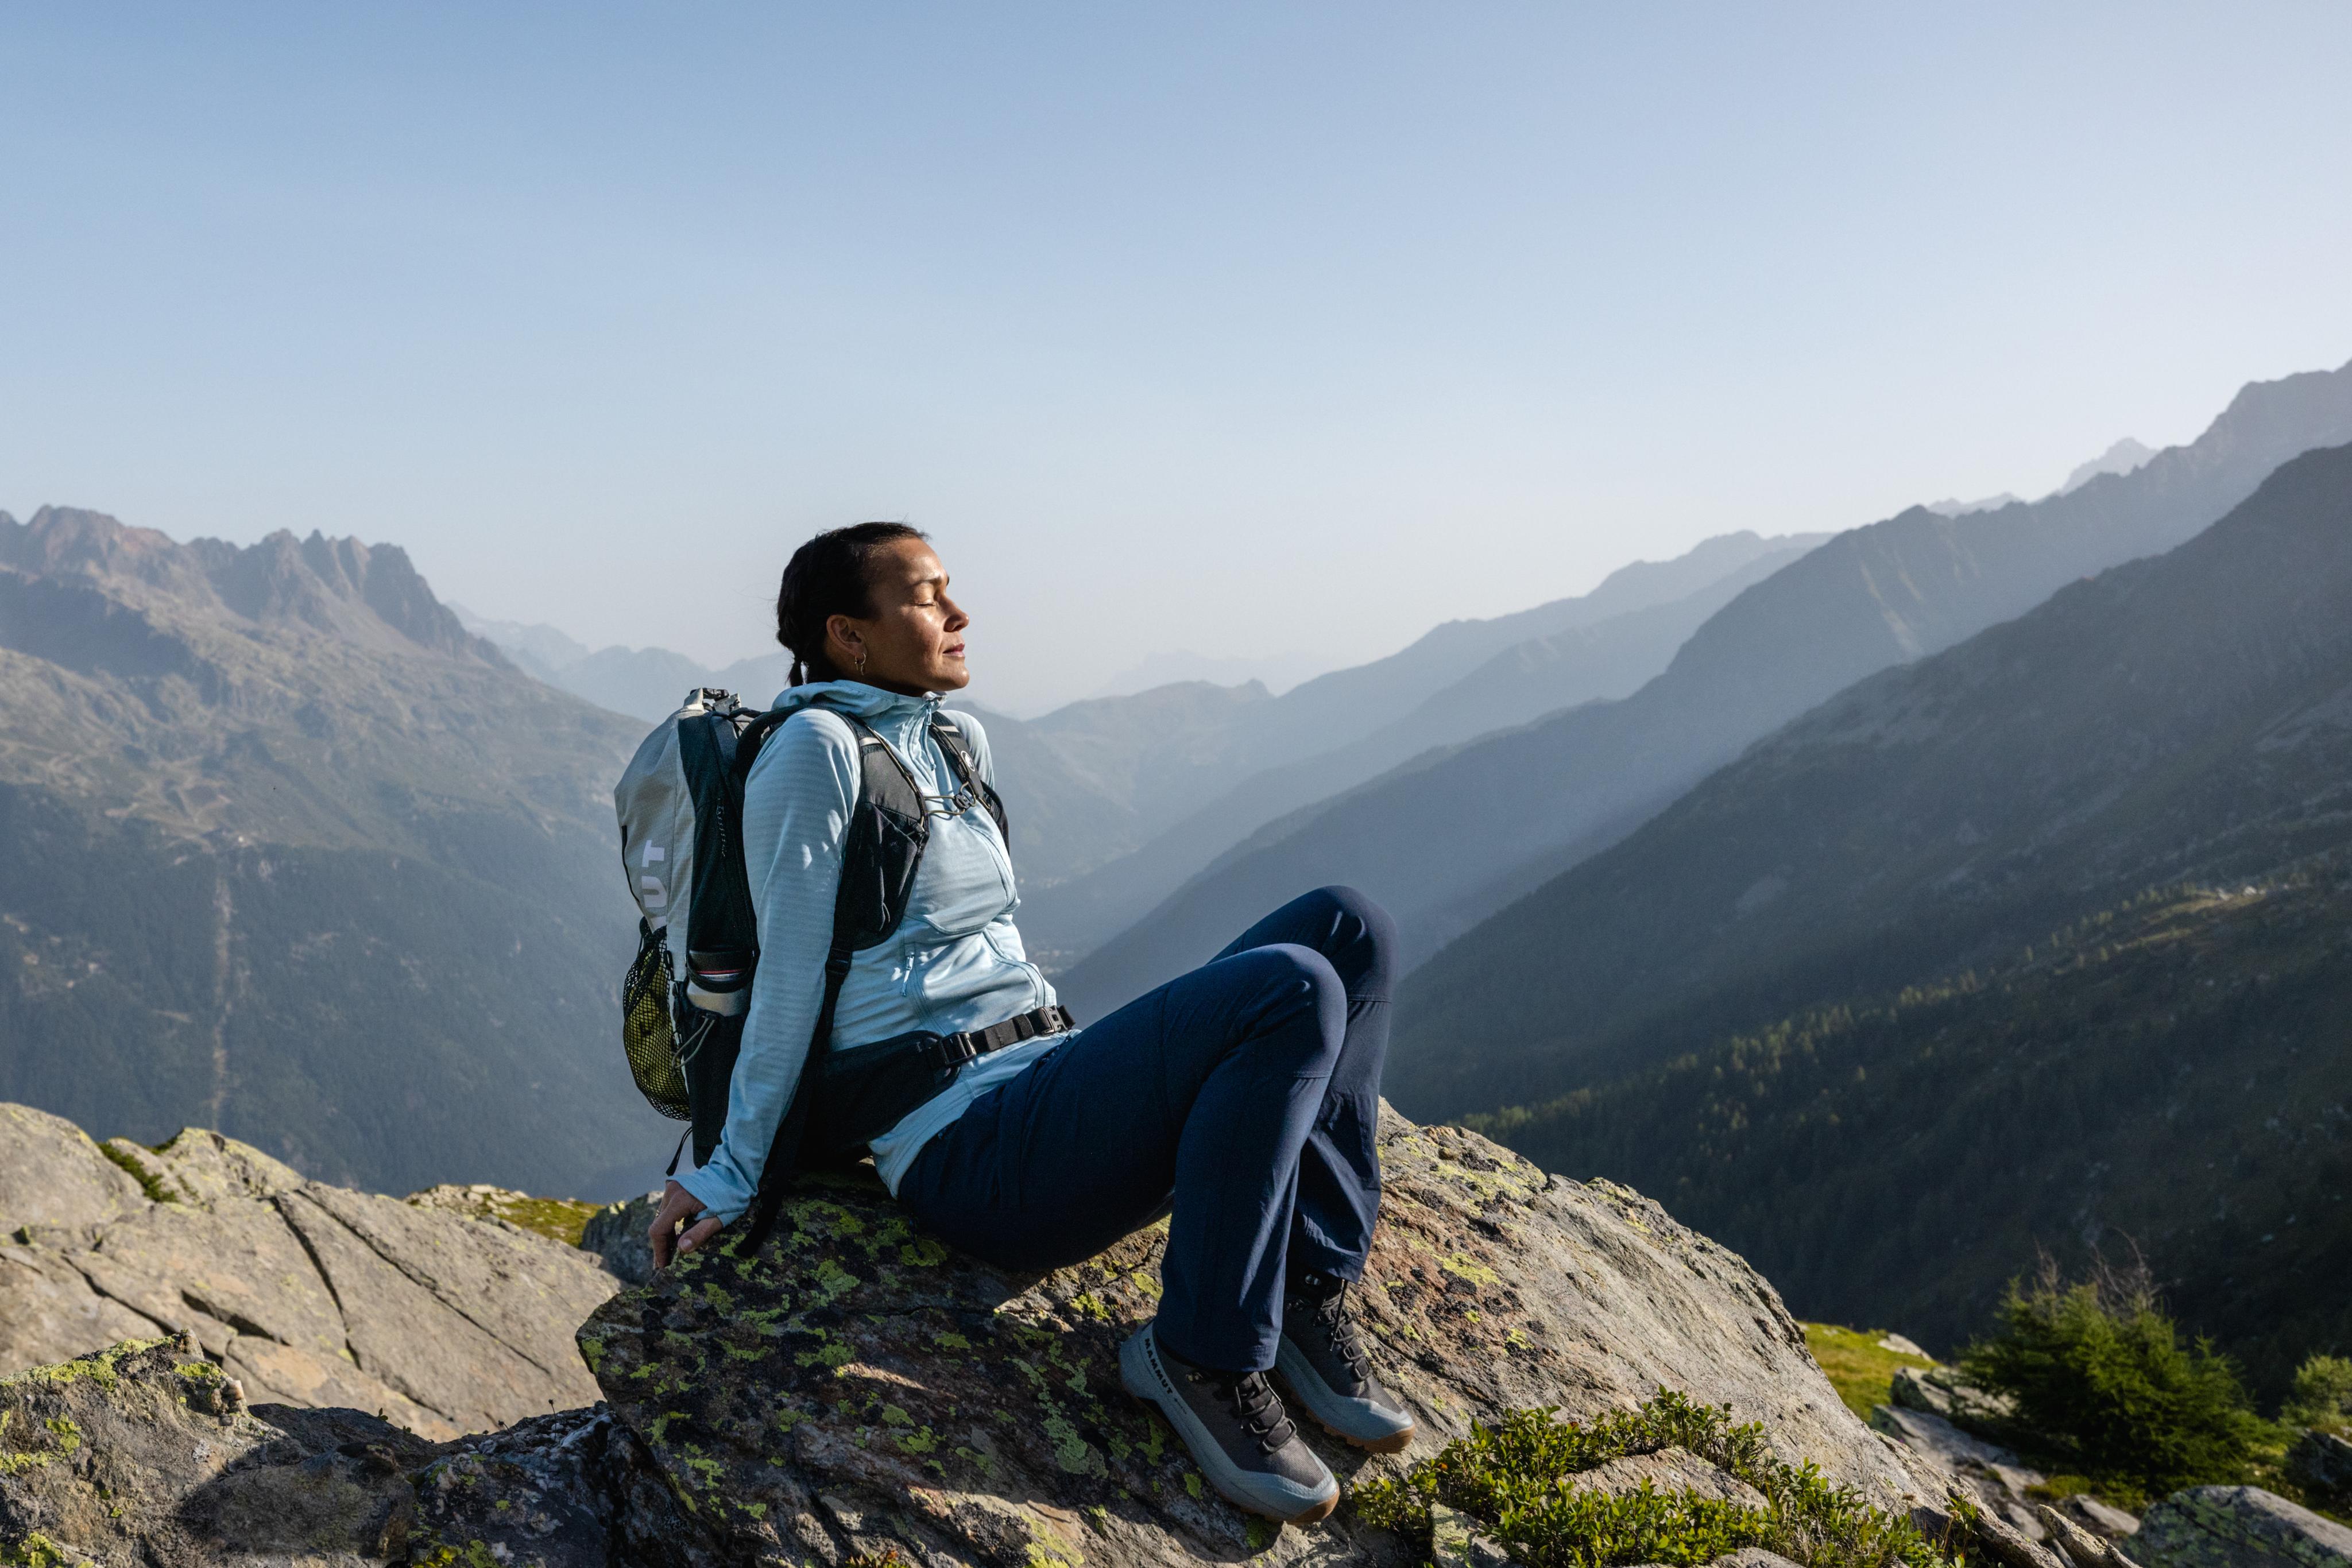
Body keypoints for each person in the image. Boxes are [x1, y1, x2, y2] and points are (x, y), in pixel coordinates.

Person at [647, 522, 1411, 1525]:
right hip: (972, 1153)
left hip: (1046, 1081)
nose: (959, 615)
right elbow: (788, 980)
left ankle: (1301, 1285)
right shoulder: (812, 756)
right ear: (849, 635)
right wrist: (732, 1169)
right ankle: (1199, 1355)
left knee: (1350, 927)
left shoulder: (952, 740)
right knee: (1291, 991)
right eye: (927, 598)